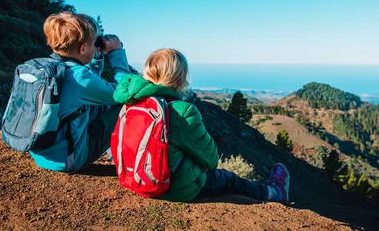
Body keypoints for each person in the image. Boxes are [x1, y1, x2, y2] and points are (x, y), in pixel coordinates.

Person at [113, 48, 290, 203]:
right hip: (172, 187)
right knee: (229, 179)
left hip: (134, 180)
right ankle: (273, 191)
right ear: (179, 78)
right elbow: (211, 159)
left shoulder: (132, 104)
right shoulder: (183, 111)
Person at [29, 11, 130, 173]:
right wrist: (116, 53)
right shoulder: (79, 77)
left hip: (43, 152)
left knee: (100, 105)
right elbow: (125, 92)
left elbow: (89, 89)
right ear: (83, 48)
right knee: (125, 106)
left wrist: (95, 58)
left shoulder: (50, 67)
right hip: (69, 159)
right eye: (92, 43)